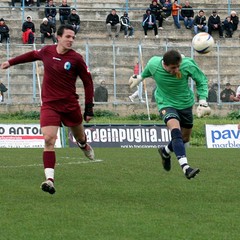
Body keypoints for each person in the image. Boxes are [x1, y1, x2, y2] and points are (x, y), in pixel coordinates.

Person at [1, 24, 94, 194]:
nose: (71, 40)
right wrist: (10, 62)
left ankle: (83, 145)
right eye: (68, 36)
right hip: (50, 105)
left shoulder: (76, 59)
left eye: (73, 37)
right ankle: (49, 180)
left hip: (70, 105)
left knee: (80, 136)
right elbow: (31, 55)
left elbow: (88, 82)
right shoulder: (47, 51)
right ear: (58, 37)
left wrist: (89, 108)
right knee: (49, 139)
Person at [129, 50, 211, 179]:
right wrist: (138, 78)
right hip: (165, 103)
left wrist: (202, 102)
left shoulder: (187, 64)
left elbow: (201, 80)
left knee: (185, 139)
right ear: (165, 64)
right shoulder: (154, 64)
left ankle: (165, 151)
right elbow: (146, 73)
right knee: (175, 131)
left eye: (178, 66)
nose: (177, 69)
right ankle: (186, 168)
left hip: (185, 104)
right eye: (173, 67)